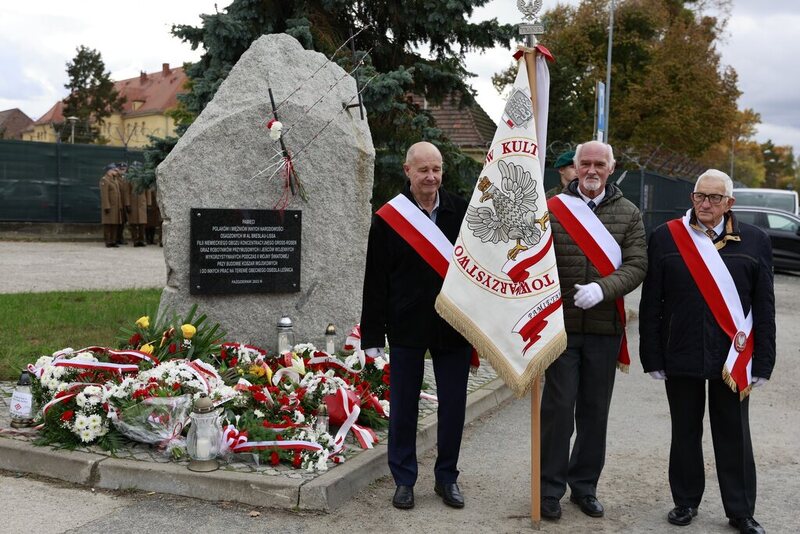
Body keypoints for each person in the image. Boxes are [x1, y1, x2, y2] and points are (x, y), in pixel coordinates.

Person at [639, 169, 774, 534]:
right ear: (692, 198)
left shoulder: (755, 240)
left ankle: (741, 510)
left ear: (730, 203)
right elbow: (652, 301)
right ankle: (685, 501)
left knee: (734, 434)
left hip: (732, 357)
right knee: (684, 431)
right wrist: (651, 355)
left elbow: (764, 306)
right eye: (700, 196)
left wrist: (763, 362)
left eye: (715, 198)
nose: (706, 204)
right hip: (679, 350)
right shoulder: (666, 238)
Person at [360, 141, 472, 510]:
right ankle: (404, 479)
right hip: (406, 326)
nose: (431, 177)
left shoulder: (463, 211)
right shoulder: (390, 217)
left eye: (436, 169)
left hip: (454, 325)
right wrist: (373, 335)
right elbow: (375, 280)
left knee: (454, 406)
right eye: (423, 169)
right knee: (404, 407)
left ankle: (447, 478)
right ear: (408, 171)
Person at [540, 140, 647, 520]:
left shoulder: (629, 213)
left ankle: (584, 487)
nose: (591, 170)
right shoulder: (551, 210)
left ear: (611, 168)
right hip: (562, 328)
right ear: (575, 167)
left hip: (605, 328)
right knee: (557, 409)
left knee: (594, 411)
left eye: (599, 164)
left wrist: (604, 288)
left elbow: (637, 265)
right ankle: (548, 489)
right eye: (585, 163)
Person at [98, 163, 123, 247]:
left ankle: (113, 240)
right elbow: (104, 195)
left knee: (115, 224)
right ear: (109, 171)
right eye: (114, 170)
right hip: (109, 207)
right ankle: (108, 241)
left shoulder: (115, 179)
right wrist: (106, 206)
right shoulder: (105, 180)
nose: (116, 172)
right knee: (108, 225)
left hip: (116, 207)